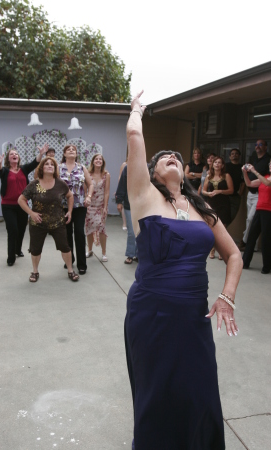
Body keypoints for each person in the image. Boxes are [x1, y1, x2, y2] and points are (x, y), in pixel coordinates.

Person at [125, 91, 242, 450]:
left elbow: (234, 255)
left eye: (176, 156)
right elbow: (134, 137)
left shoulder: (201, 206)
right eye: (163, 158)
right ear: (152, 172)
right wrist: (136, 112)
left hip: (194, 315)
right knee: (157, 395)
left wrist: (226, 297)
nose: (172, 157)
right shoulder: (144, 195)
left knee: (200, 392)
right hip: (152, 314)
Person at [18, 156, 79, 282]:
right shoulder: (34, 184)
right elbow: (21, 200)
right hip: (37, 223)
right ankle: (35, 272)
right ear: (42, 168)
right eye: (47, 164)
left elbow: (70, 196)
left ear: (55, 168)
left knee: (65, 247)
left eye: (52, 164)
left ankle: (70, 270)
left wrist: (70, 211)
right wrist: (31, 213)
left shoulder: (60, 183)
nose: (50, 166)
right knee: (35, 249)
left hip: (58, 222)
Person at [0, 145, 47, 266]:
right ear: (8, 158)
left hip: (22, 205)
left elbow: (35, 163)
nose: (14, 155)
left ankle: (18, 249)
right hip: (8, 205)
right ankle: (11, 256)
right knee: (12, 229)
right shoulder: (6, 171)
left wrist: (41, 153)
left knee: (22, 229)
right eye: (11, 154)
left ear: (18, 158)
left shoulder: (23, 169)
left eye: (16, 154)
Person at [59, 145, 93, 275]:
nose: (71, 151)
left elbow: (90, 184)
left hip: (79, 206)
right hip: (63, 207)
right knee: (66, 234)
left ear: (76, 154)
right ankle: (69, 259)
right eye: (68, 150)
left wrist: (89, 196)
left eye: (74, 149)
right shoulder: (58, 168)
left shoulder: (82, 167)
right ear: (64, 154)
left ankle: (82, 264)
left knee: (79, 233)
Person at [239, 139, 270, 250]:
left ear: (266, 147)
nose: (258, 146)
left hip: (261, 194)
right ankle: (253, 246)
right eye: (256, 145)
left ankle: (245, 241)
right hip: (250, 193)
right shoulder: (253, 158)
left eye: (261, 144)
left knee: (252, 218)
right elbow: (249, 179)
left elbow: (266, 179)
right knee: (250, 219)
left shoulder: (268, 160)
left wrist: (254, 171)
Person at [242, 160, 271, 274]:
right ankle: (245, 262)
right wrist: (245, 173)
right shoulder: (266, 177)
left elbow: (268, 183)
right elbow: (249, 184)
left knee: (266, 239)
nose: (270, 165)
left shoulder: (267, 179)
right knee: (251, 236)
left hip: (269, 211)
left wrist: (254, 170)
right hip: (259, 209)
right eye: (269, 164)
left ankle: (267, 266)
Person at [202, 156, 234, 259]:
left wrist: (220, 191)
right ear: (212, 164)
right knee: (212, 227)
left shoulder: (226, 176)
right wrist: (208, 193)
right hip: (212, 204)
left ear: (222, 165)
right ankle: (212, 249)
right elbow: (203, 191)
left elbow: (231, 190)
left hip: (224, 204)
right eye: (215, 162)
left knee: (222, 229)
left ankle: (222, 251)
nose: (217, 164)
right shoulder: (208, 177)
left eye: (219, 162)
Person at [85, 153, 110, 262]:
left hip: (100, 207)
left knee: (101, 229)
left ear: (102, 162)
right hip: (89, 206)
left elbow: (107, 192)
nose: (98, 160)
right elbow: (85, 190)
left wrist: (105, 206)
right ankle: (90, 250)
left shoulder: (106, 175)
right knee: (89, 229)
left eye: (100, 159)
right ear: (93, 161)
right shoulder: (88, 174)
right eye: (96, 159)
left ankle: (104, 252)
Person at [115, 164, 138, 264]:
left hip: (143, 205)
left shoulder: (147, 167)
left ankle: (138, 255)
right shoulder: (127, 168)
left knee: (142, 231)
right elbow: (122, 185)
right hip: (129, 204)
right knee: (132, 232)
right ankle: (130, 254)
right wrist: (119, 201)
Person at [225, 148, 245, 225]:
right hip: (224, 195)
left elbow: (243, 182)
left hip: (235, 196)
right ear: (229, 156)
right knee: (222, 217)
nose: (234, 155)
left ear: (239, 156)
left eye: (236, 153)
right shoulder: (226, 166)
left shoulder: (242, 168)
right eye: (232, 154)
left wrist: (240, 194)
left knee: (231, 217)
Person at [118, 160, 128, 230]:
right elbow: (120, 176)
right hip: (125, 186)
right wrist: (119, 189)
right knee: (124, 205)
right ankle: (124, 223)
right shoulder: (125, 164)